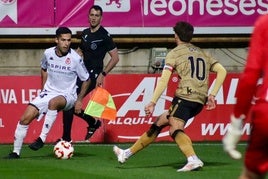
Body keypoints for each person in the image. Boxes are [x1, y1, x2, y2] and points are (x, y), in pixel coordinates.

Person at [113, 21, 227, 172]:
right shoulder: (203, 53)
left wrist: (152, 101)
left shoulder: (174, 53)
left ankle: (192, 159)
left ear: (176, 35)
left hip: (185, 97)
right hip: (199, 100)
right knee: (160, 121)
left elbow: (164, 80)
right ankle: (126, 153)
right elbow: (222, 71)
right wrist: (212, 95)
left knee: (175, 129)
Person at [5, 27, 90, 159]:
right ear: (56, 40)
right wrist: (43, 88)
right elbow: (44, 68)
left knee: (53, 102)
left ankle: (41, 139)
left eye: (69, 40)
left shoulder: (75, 58)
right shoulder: (48, 53)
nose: (66, 43)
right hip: (48, 92)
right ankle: (15, 152)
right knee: (25, 118)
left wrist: (79, 100)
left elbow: (86, 79)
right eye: (63, 40)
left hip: (68, 96)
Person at [57, 5, 119, 143]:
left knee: (70, 103)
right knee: (68, 104)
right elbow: (80, 51)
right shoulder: (85, 33)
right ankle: (92, 122)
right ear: (88, 16)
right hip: (81, 73)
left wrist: (103, 73)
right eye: (92, 15)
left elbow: (115, 57)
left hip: (93, 75)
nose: (93, 18)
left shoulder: (104, 35)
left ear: (101, 18)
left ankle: (66, 138)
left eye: (97, 15)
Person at [222, 14, 268, 179]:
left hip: (266, 113)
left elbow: (250, 78)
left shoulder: (265, 23)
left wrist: (235, 125)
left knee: (251, 175)